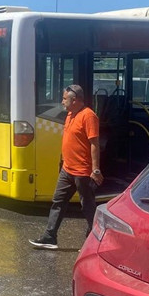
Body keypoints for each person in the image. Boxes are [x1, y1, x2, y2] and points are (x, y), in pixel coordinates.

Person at [30, 84, 103, 250]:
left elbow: (94, 144)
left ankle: (94, 241)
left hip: (83, 172)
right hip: (67, 169)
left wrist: (95, 169)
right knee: (58, 201)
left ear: (75, 100)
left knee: (88, 207)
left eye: (65, 99)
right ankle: (50, 237)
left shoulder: (88, 116)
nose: (62, 102)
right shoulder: (70, 114)